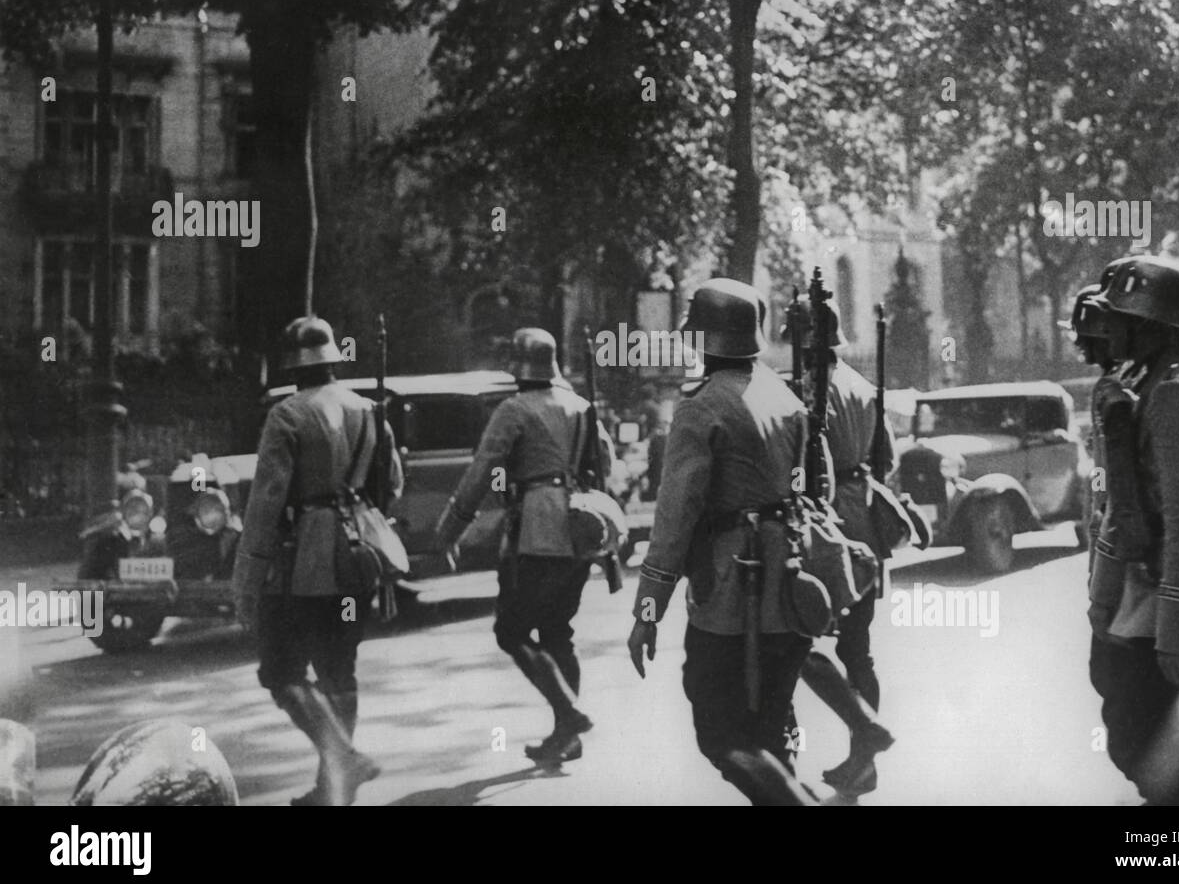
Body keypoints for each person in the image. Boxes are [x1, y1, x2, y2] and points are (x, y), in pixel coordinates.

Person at [627, 278, 818, 805]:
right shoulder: (786, 395)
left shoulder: (702, 408)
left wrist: (647, 612)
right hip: (793, 586)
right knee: (771, 728)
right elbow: (808, 489)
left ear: (705, 338)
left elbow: (673, 522)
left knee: (720, 731)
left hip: (732, 598)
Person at [234, 315, 403, 807]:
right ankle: (335, 787)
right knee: (338, 668)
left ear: (291, 366)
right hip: (360, 555)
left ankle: (343, 759)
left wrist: (246, 579)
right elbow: (390, 485)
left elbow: (266, 503)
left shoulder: (286, 415)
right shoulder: (369, 410)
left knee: (282, 671)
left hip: (306, 564)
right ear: (332, 358)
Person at [1088, 256, 1179, 795]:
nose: (1110, 332)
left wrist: (1177, 629)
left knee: (1154, 755)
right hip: (1150, 611)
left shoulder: (1172, 397)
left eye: (1119, 320)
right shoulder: (1172, 382)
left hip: (1159, 621)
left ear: (1151, 325)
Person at [433, 328, 610, 763]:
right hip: (581, 524)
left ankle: (568, 713)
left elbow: (482, 472)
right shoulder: (582, 407)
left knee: (510, 631)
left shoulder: (513, 409)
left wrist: (450, 530)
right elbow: (603, 463)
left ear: (517, 365)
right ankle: (566, 734)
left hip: (537, 531)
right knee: (558, 633)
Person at [784, 296, 896, 796]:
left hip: (823, 523)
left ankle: (788, 756)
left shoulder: (805, 392)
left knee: (794, 642)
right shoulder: (864, 387)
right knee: (859, 651)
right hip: (865, 519)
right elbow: (885, 458)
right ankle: (863, 756)